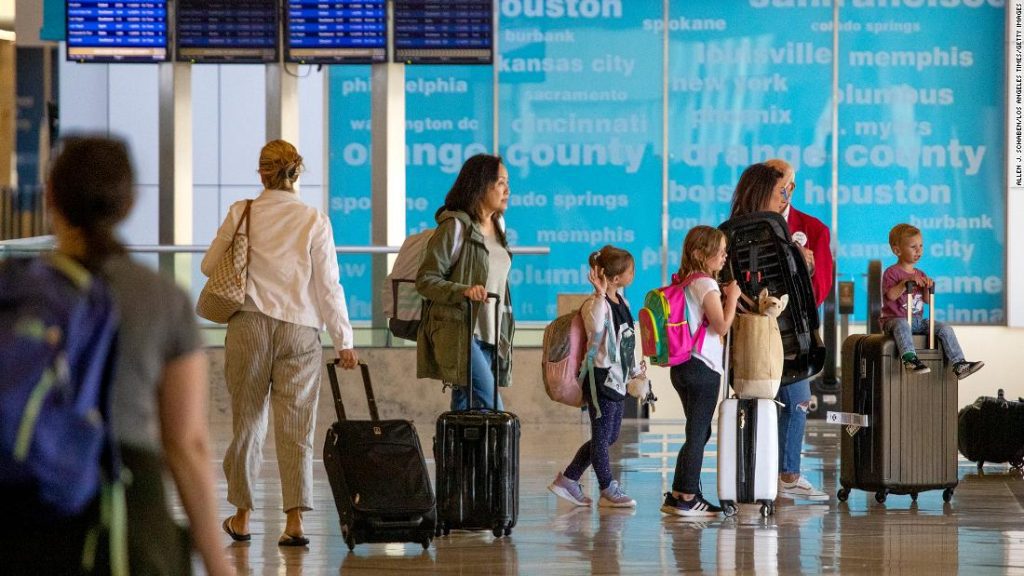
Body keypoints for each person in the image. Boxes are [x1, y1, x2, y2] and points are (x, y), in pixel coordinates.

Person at [40, 136, 231, 575]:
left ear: (51, 195)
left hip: (28, 507)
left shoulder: (16, 293)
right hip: (129, 508)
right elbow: (186, 445)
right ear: (129, 202)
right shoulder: (161, 297)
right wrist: (218, 564)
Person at [204, 139, 359, 548]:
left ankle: (242, 515)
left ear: (261, 173)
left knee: (248, 421)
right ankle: (294, 523)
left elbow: (207, 266)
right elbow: (328, 286)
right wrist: (344, 339)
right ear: (298, 172)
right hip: (300, 331)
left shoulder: (242, 212)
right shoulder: (314, 220)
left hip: (249, 326)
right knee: (295, 427)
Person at [416, 153, 514, 411]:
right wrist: (464, 291)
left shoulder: (499, 225)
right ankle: (505, 452)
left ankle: (451, 452)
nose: (508, 190)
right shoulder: (455, 227)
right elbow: (426, 280)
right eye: (501, 182)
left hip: (492, 332)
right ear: (482, 185)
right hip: (462, 331)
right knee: (495, 409)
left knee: (467, 410)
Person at [548, 246, 643, 508]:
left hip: (618, 378)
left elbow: (626, 341)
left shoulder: (623, 302)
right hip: (600, 378)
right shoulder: (594, 305)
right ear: (614, 278)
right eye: (630, 270)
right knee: (602, 436)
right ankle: (607, 487)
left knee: (609, 436)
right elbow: (597, 330)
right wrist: (600, 295)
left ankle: (569, 479)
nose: (633, 274)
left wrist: (634, 370)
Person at [762, 158, 833, 501]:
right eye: (778, 185)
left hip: (793, 331)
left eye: (788, 185)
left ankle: (788, 472)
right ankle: (765, 475)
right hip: (754, 328)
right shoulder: (744, 225)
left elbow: (820, 288)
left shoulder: (813, 229)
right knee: (758, 403)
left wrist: (803, 272)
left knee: (797, 400)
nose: (784, 191)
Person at [660, 225, 740, 517]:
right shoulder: (706, 284)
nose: (724, 256)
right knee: (697, 432)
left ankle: (681, 492)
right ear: (699, 254)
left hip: (682, 366)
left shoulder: (686, 281)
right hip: (702, 367)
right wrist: (731, 296)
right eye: (718, 252)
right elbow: (721, 326)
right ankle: (688, 496)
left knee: (698, 430)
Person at [881, 223, 984, 379]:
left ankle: (959, 364)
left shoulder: (920, 273)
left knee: (944, 328)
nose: (919, 250)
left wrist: (927, 287)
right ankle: (910, 360)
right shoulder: (891, 272)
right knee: (902, 324)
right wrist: (905, 283)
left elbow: (928, 301)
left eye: (921, 246)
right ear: (897, 250)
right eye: (913, 247)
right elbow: (890, 296)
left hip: (916, 320)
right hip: (894, 320)